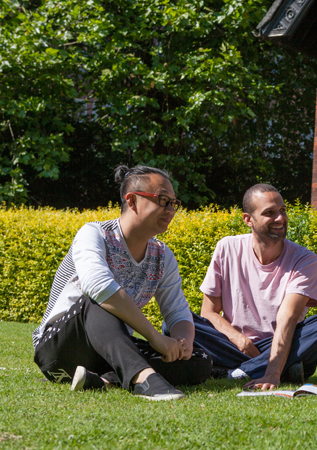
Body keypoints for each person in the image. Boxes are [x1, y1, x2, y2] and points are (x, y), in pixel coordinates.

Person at [32, 165, 212, 401]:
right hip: (60, 348)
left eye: (174, 203)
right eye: (163, 200)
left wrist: (183, 344)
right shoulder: (94, 234)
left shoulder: (162, 255)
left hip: (110, 349)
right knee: (98, 299)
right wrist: (155, 337)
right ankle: (144, 380)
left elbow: (177, 310)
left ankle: (104, 380)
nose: (171, 210)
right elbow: (99, 286)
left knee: (201, 361)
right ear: (132, 200)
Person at [192, 184, 317, 391]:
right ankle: (286, 366)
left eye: (282, 211)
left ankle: (237, 372)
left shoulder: (305, 259)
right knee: (177, 323)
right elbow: (208, 312)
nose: (280, 218)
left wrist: (272, 373)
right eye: (270, 213)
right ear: (248, 220)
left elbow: (288, 317)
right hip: (232, 344)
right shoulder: (227, 247)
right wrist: (240, 340)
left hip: (281, 339)